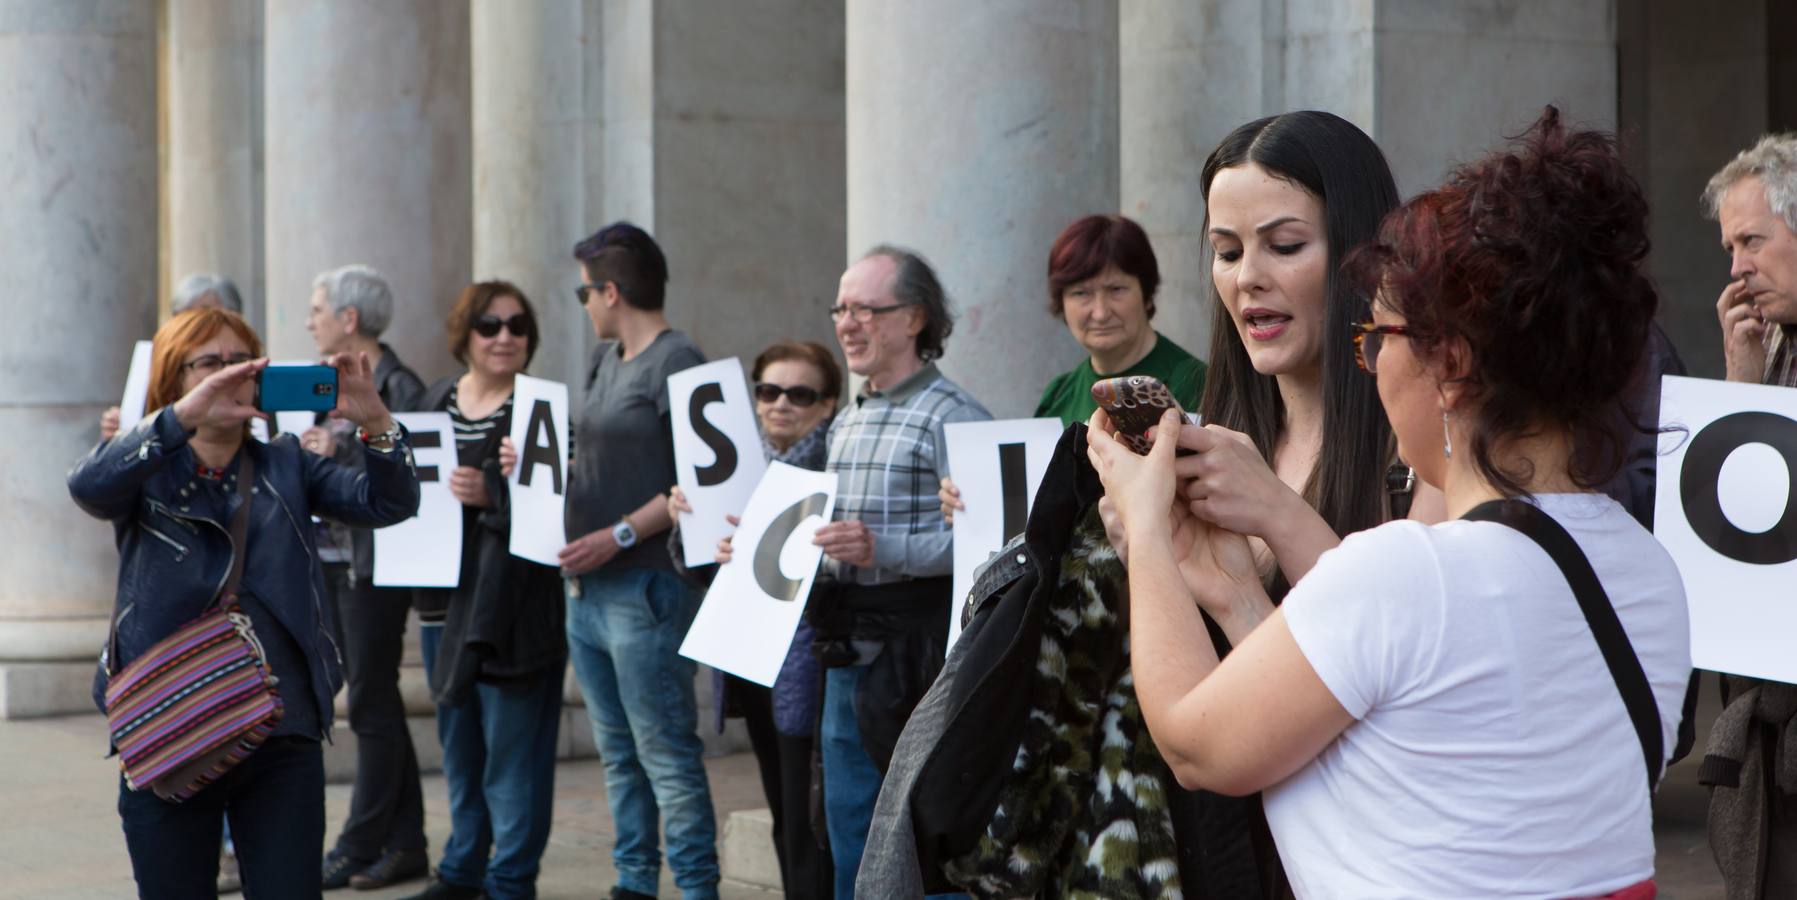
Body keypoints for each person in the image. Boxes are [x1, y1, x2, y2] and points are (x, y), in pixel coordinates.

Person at [1089, 106, 1690, 897]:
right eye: (1225, 251)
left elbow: (1200, 747)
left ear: (1449, 365)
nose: (1370, 365)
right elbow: (1368, 767)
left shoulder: (1407, 571)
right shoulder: (1649, 571)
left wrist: (1148, 535)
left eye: (1376, 337)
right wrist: (1235, 591)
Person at [69, 307, 419, 899]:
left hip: (280, 729)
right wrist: (176, 421)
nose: (230, 375)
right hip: (169, 724)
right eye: (209, 364)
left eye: (241, 363)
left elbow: (390, 504)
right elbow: (87, 487)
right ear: (176, 380)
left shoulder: (288, 463)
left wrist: (377, 423)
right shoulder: (144, 463)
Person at [814, 245, 990, 899]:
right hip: (845, 652)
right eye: (841, 307)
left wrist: (881, 547)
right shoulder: (849, 416)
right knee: (849, 831)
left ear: (914, 318)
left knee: (914, 831)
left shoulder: (954, 416)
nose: (847, 323)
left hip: (916, 662)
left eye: (866, 308)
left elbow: (983, 546)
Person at [562, 222, 719, 900]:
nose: (585, 304)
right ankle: (633, 882)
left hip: (648, 586)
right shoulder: (603, 360)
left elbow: (696, 486)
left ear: (612, 291)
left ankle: (695, 887)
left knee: (665, 754)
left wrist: (618, 536)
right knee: (619, 753)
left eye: (584, 291)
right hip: (588, 591)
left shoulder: (678, 360)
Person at [401, 282, 567, 900]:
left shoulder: (541, 409)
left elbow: (556, 513)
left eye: (518, 326)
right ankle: (463, 867)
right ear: (465, 334)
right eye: (490, 326)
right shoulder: (434, 400)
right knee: (461, 752)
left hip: (515, 611)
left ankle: (510, 879)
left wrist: (494, 493)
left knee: (514, 759)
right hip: (444, 603)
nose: (505, 337)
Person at [668, 340, 843, 900]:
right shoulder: (743, 464)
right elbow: (702, 571)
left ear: (828, 404)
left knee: (807, 818)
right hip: (752, 659)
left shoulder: (833, 466)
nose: (780, 404)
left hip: (809, 667)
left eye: (799, 393)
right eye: (768, 390)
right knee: (783, 812)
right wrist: (688, 527)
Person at [938, 213, 1207, 521]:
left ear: (1147, 293)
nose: (1100, 312)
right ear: (1061, 302)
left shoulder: (1197, 382)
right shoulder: (1059, 392)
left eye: (1116, 289)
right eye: (1081, 293)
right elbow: (1036, 498)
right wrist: (970, 498)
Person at [304, 264, 432, 892]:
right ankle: (405, 842)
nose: (310, 320)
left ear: (349, 320)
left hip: (377, 568)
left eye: (318, 308)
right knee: (373, 701)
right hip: (335, 560)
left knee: (373, 703)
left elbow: (405, 473)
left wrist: (340, 450)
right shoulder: (325, 382)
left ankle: (360, 841)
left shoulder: (400, 385)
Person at [1699, 131, 1797, 898]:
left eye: (1751, 241)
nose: (1735, 267)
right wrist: (1741, 380)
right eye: (1730, 245)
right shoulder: (1772, 349)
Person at [99, 272, 248, 442]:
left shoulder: (253, 373)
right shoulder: (153, 368)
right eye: (186, 321)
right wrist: (117, 442)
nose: (195, 331)